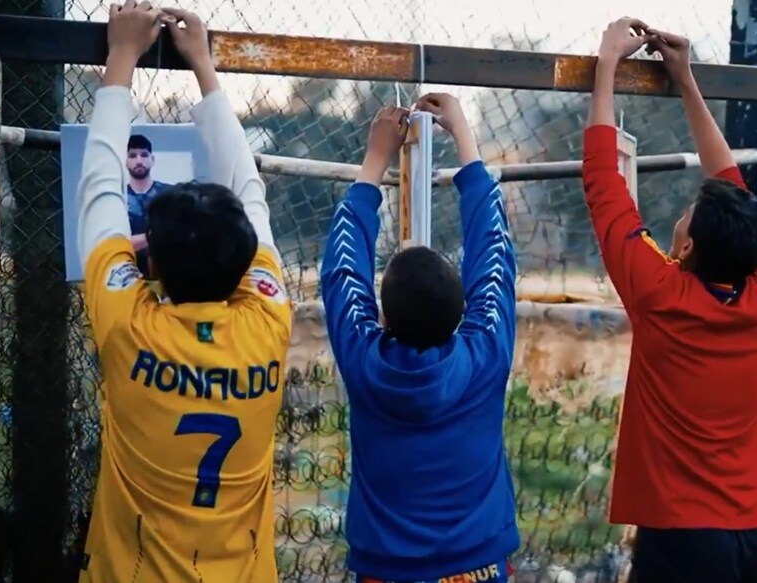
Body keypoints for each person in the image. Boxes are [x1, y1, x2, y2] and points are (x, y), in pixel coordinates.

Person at [76, 4, 291, 582]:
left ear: (155, 269)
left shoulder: (130, 325)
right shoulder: (267, 322)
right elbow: (250, 190)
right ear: (245, 263)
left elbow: (101, 186)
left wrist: (121, 54)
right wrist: (204, 67)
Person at [585, 19, 757, 582]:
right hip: (755, 538)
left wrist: (607, 65)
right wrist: (686, 82)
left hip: (684, 541)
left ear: (688, 245)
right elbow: (731, 184)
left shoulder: (661, 295)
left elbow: (603, 183)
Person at [320, 94, 518, 582]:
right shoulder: (485, 350)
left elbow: (342, 269)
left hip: (386, 569)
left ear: (383, 317)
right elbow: (493, 248)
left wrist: (375, 159)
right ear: (461, 311)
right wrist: (465, 140)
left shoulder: (365, 361)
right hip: (477, 563)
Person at [125, 133, 170, 274]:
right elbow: (114, 243)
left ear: (152, 159)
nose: (139, 161)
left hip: (167, 273)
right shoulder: (118, 198)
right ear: (125, 160)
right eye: (132, 156)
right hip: (127, 273)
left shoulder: (170, 194)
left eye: (144, 155)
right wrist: (154, 236)